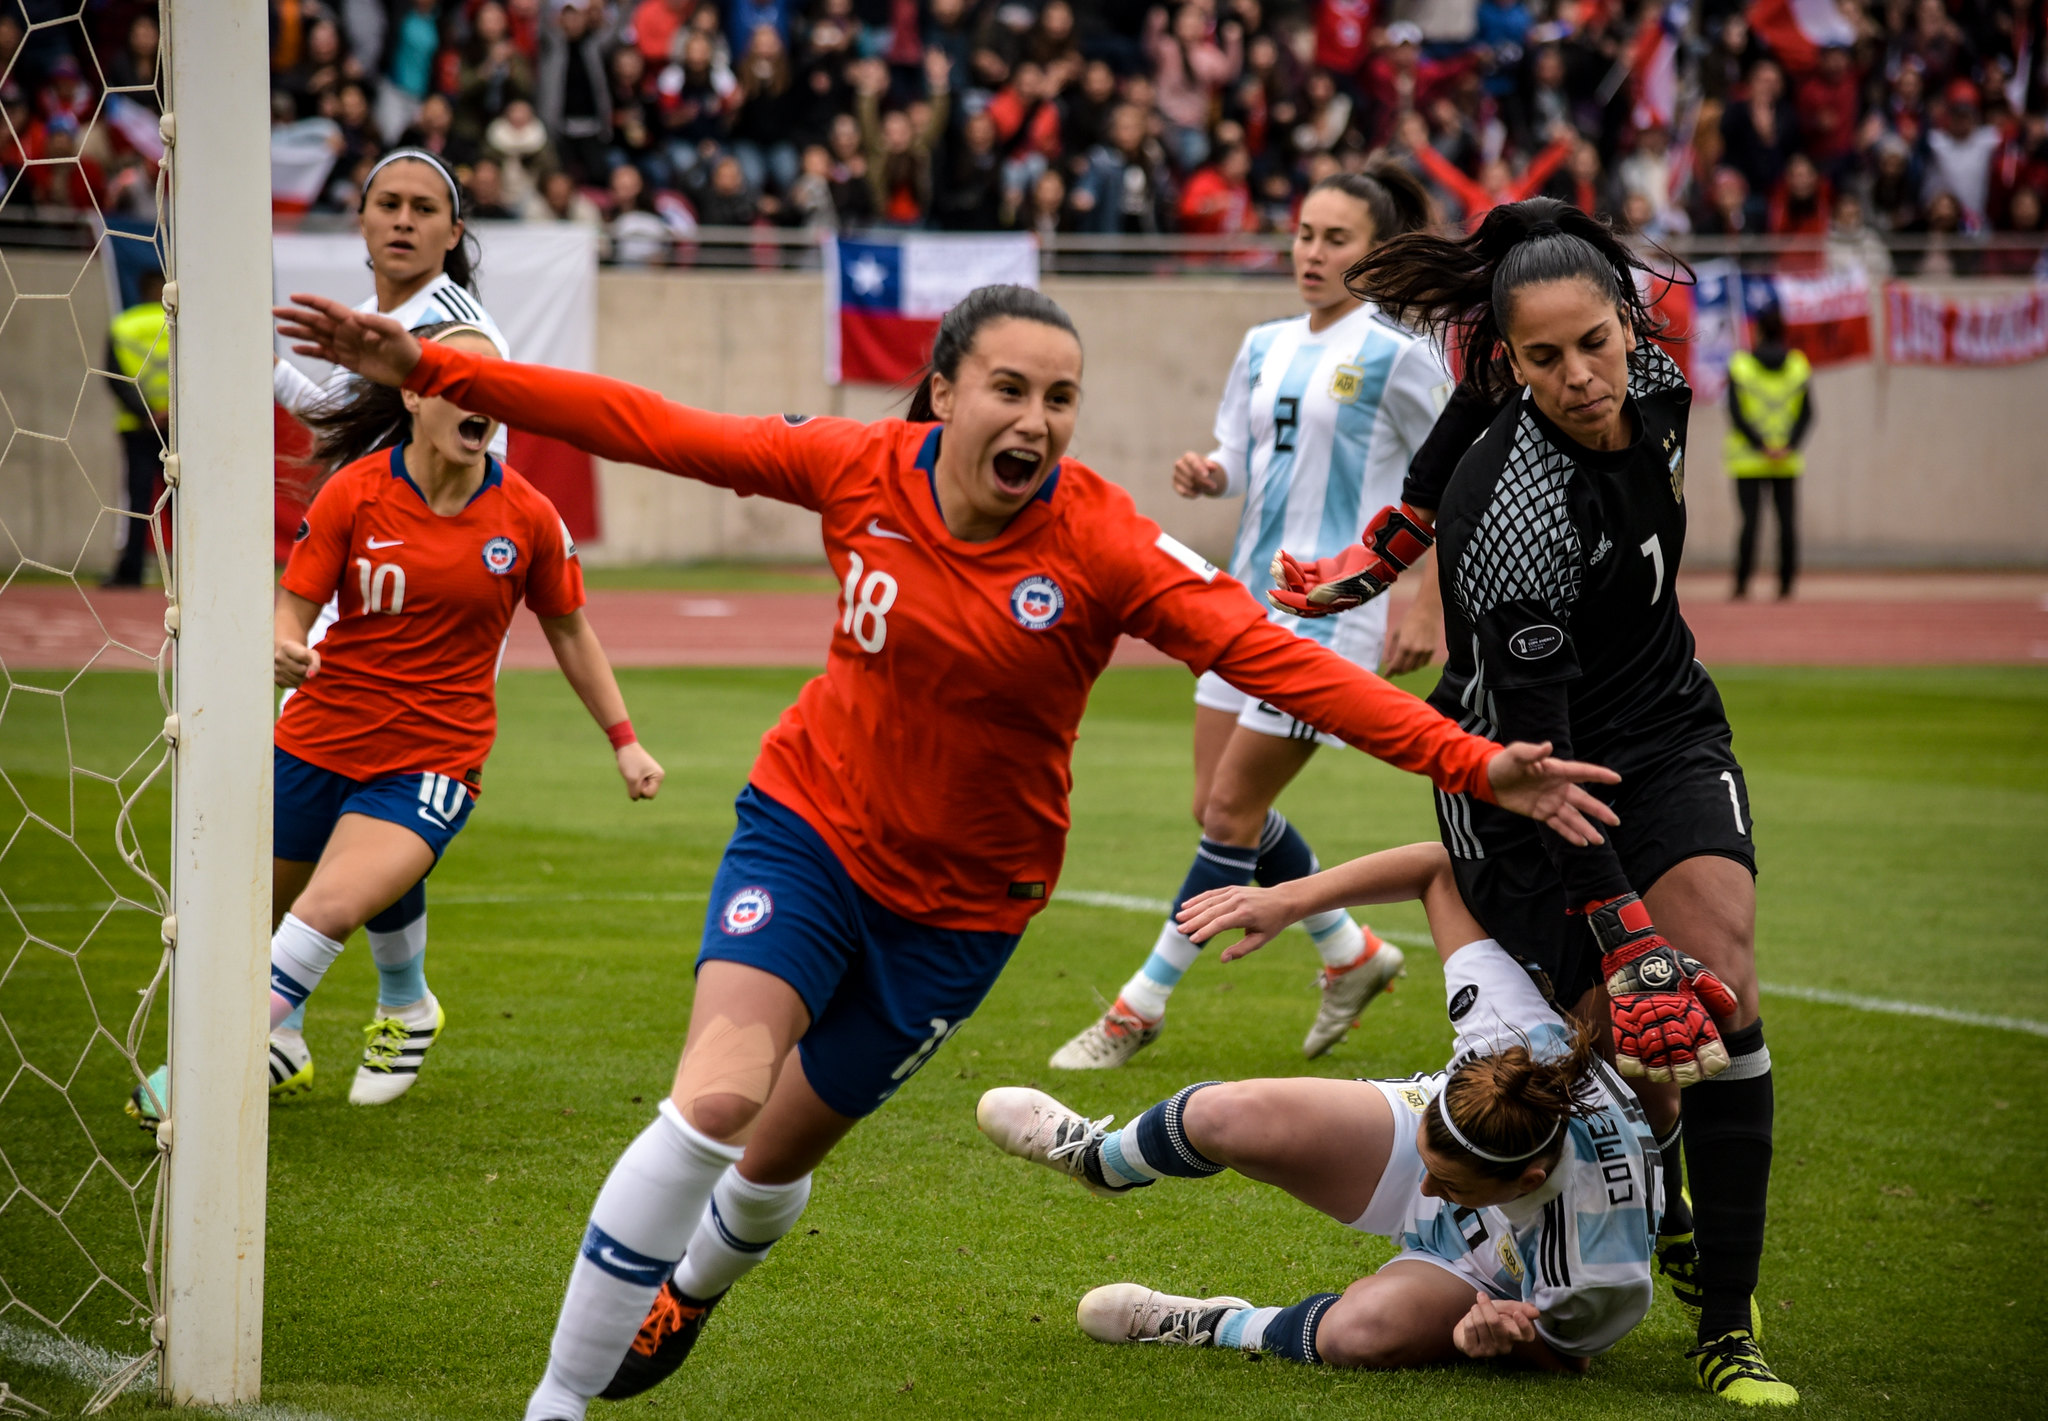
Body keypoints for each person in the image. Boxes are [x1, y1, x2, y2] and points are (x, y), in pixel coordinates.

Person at [274, 282, 1624, 1421]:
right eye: (1009, 389)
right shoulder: (857, 468)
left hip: (962, 912)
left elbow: (1270, 656)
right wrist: (433, 366)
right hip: (807, 829)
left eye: (1060, 398)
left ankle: (685, 1294)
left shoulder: (1098, 541)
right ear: (941, 392)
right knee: (723, 1091)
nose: (1035, 420)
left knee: (775, 1159)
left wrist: (1469, 757)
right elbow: (655, 427)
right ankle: (557, 1403)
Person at [1270, 199, 1798, 1406]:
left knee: (1716, 983)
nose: (1580, 375)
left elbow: (1544, 264)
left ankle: (1724, 1317)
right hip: (1517, 770)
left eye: (1594, 342)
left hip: (1663, 726)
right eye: (1543, 357)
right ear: (1508, 362)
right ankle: (1612, 1211)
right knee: (1599, 1036)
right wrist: (1622, 937)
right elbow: (1541, 766)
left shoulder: (1652, 374)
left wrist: (1381, 536)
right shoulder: (1511, 510)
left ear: (1626, 323)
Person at [130, 322, 660, 1127]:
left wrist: (625, 742)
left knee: (329, 908)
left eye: (491, 384)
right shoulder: (354, 492)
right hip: (316, 740)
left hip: (433, 761)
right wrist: (282, 644)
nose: (476, 397)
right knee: (249, 919)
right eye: (456, 379)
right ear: (414, 394)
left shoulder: (527, 516)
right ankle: (309, 1036)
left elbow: (569, 630)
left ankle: (197, 1074)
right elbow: (295, 603)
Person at [1050, 168, 1455, 1072]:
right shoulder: (1264, 342)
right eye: (1305, 232)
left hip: (1335, 612)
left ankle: (1136, 1007)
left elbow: (1454, 478)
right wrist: (1211, 473)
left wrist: (1422, 598)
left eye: (1336, 238)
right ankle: (1351, 952)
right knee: (1220, 807)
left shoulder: (1400, 353)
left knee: (1230, 810)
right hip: (1240, 604)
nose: (1312, 252)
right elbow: (1241, 453)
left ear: (1378, 253)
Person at [979, 840, 1666, 1373]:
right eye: (1430, 1163)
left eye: (1447, 1184)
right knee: (1225, 1115)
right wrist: (1290, 899)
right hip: (1458, 1147)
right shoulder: (1514, 1038)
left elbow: (1567, 1353)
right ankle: (1101, 1160)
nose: (1425, 1189)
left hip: (1479, 1276)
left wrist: (1496, 1339)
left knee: (1360, 1334)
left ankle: (1214, 1322)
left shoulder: (1603, 1261)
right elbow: (1436, 869)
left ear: (1525, 1181)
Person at [269, 146, 514, 1097]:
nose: (404, 221)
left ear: (456, 234)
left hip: (435, 591)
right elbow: (349, 414)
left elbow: (343, 407)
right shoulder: (396, 321)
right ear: (362, 221)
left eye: (425, 208)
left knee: (367, 797)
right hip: (373, 572)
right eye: (387, 204)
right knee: (361, 802)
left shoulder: (450, 325)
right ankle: (398, 1001)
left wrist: (248, 365)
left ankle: (277, 1022)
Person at [1725, 305, 1811, 601]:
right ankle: (1786, 585)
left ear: (1758, 330)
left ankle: (1741, 584)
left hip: (1748, 460)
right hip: (1786, 460)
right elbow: (1808, 414)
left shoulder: (1740, 365)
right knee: (1786, 524)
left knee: (1750, 523)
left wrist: (1761, 446)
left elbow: (1736, 414)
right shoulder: (1799, 365)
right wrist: (1786, 445)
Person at [103, 269, 168, 588]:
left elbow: (114, 376)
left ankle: (131, 570)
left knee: (138, 502)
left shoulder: (123, 325)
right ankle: (191, 570)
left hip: (137, 426)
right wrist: (172, 412)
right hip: (180, 427)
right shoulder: (182, 322)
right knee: (186, 502)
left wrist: (144, 413)